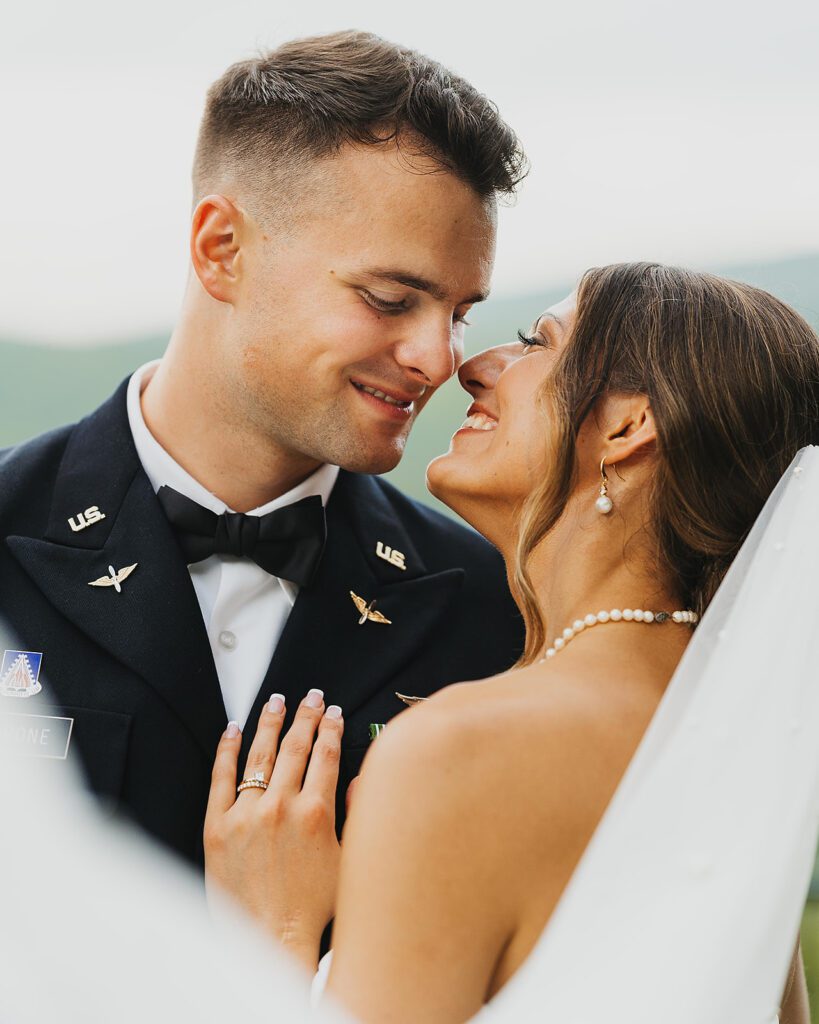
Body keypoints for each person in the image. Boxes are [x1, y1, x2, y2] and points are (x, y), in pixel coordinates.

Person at [204, 263, 819, 1022]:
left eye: (538, 342)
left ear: (628, 426)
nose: (474, 366)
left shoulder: (457, 748)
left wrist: (273, 937)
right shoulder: (735, 755)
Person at [0, 32, 526, 865]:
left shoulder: (492, 612)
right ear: (223, 250)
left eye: (458, 314)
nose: (439, 359)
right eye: (390, 298)